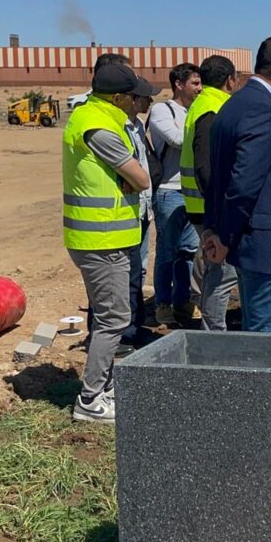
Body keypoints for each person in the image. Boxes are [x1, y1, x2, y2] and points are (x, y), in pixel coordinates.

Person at [62, 63, 154, 424]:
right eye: (133, 96)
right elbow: (142, 179)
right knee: (114, 318)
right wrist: (131, 178)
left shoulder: (102, 119)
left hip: (108, 235)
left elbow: (135, 177)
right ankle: (89, 399)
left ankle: (105, 385)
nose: (139, 101)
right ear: (117, 98)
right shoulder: (98, 127)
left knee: (111, 315)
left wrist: (129, 178)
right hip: (101, 238)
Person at [202, 36, 271, 334]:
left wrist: (213, 227)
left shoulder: (236, 104)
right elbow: (243, 184)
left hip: (256, 246)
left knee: (259, 340)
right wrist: (223, 236)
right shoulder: (261, 110)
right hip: (268, 250)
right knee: (269, 343)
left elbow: (218, 176)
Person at [183, 55, 240, 330]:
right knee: (223, 272)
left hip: (201, 203)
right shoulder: (213, 110)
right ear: (230, 80)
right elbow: (206, 166)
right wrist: (220, 208)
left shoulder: (203, 104)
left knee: (215, 269)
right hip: (210, 207)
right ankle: (214, 335)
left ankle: (211, 327)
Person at [147, 63, 202, 326]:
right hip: (169, 192)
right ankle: (162, 303)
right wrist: (205, 131)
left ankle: (183, 301)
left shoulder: (195, 110)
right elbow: (178, 140)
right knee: (167, 253)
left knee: (188, 252)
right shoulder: (163, 110)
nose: (200, 88)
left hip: (191, 192)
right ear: (179, 84)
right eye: (195, 83)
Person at [121, 82, 161, 348]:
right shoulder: (120, 127)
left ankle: (135, 327)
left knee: (137, 272)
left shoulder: (137, 126)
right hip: (127, 212)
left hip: (142, 209)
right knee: (124, 275)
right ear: (132, 99)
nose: (150, 102)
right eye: (146, 98)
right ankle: (124, 333)